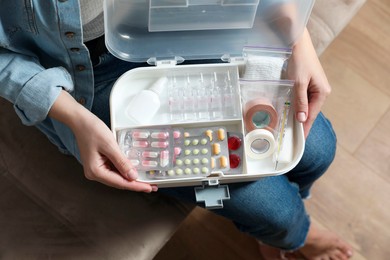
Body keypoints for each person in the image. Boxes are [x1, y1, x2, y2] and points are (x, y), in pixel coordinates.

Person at [0, 1, 353, 259]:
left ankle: (296, 203)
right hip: (87, 74)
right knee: (274, 211)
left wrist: (296, 37)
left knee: (320, 148)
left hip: (193, 19)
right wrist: (74, 118)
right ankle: (292, 235)